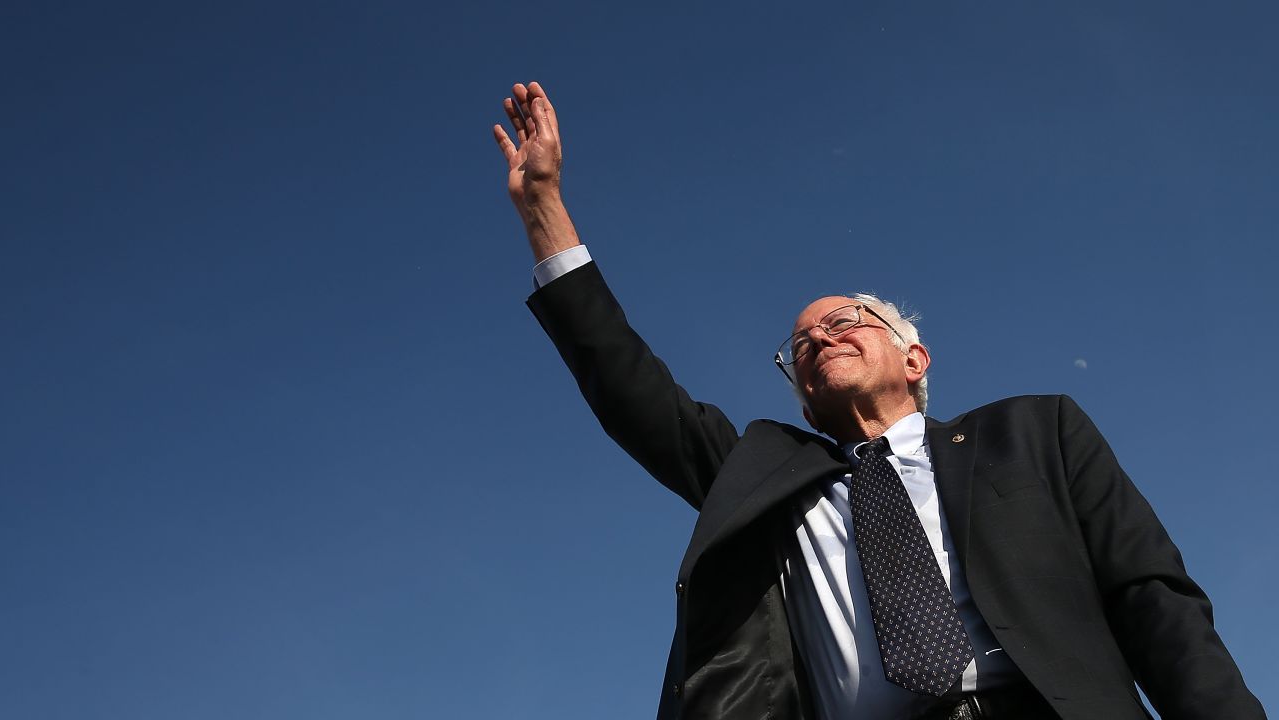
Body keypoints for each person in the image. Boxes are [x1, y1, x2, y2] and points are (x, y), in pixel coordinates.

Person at [492, 82, 1266, 720]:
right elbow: (629, 386)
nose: (820, 338)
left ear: (914, 357)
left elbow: (1152, 600)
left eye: (844, 320)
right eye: (800, 344)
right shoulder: (764, 478)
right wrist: (543, 209)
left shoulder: (1038, 434)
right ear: (800, 399)